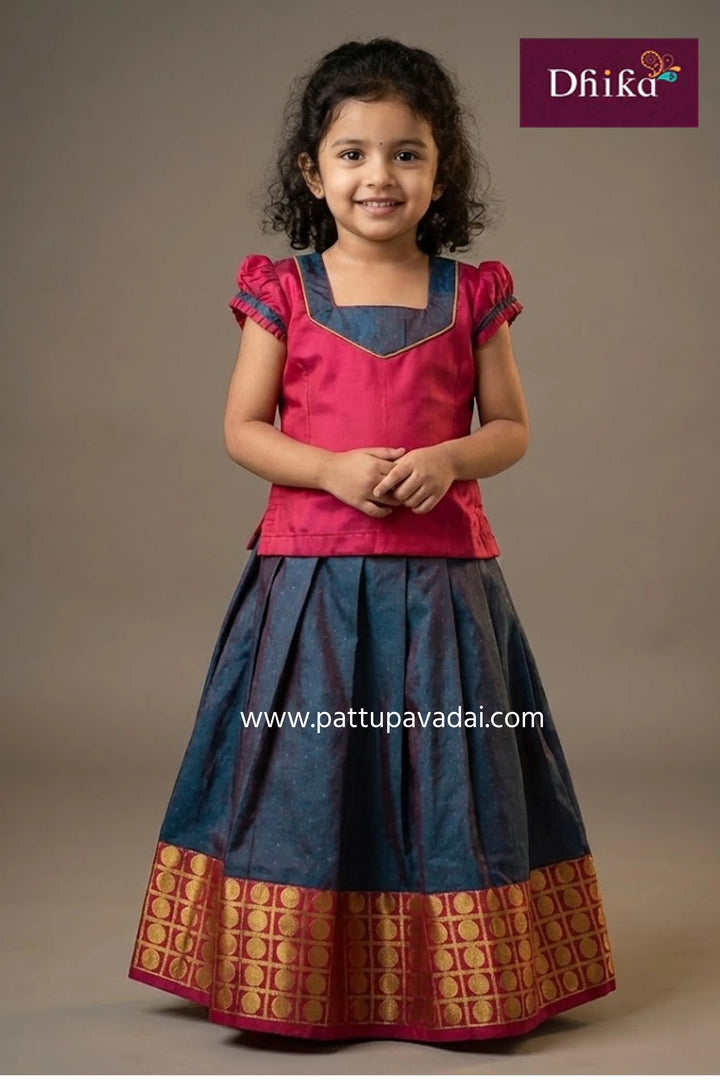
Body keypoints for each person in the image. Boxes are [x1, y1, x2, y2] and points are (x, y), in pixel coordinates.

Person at [128, 36, 615, 1044]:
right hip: (309, 582)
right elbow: (243, 429)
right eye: (352, 153)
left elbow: (511, 428)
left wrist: (450, 459)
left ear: (443, 175)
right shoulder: (284, 290)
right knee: (311, 778)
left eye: (406, 154)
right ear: (312, 171)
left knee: (453, 778)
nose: (378, 176)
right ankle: (300, 983)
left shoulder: (472, 294)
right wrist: (331, 471)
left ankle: (453, 984)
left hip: (444, 591)